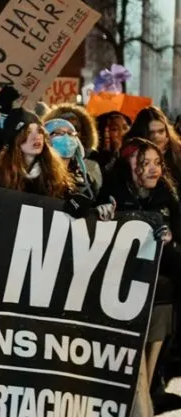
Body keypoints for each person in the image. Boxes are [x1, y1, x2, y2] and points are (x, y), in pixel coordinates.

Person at [97, 138, 180, 417]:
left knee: (147, 368)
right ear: (128, 165)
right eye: (143, 162)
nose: (152, 169)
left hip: (159, 300)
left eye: (157, 162)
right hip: (119, 298)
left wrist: (169, 243)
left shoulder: (168, 198)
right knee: (135, 375)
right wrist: (102, 219)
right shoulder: (110, 194)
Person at [0, 109, 74, 199]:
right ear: (15, 139)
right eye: (28, 132)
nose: (36, 137)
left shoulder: (55, 175)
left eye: (39, 131)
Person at [45, 118, 101, 198]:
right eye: (58, 133)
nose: (66, 137)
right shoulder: (35, 174)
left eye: (71, 134)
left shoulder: (86, 181)